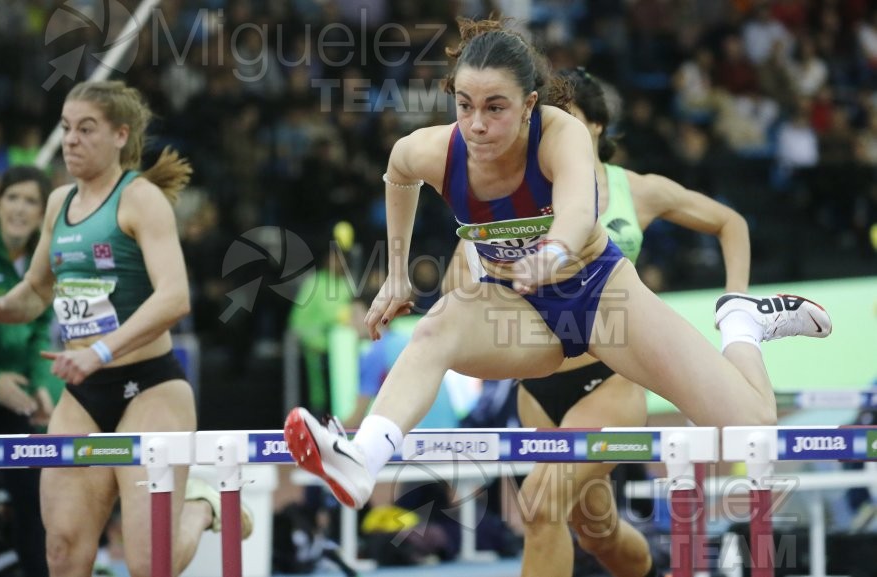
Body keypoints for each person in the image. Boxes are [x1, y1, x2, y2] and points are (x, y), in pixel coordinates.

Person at [283, 17, 830, 533]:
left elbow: (577, 209)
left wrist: (555, 250)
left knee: (751, 427)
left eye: (496, 108)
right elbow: (398, 173)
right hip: (519, 312)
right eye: (465, 105)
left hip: (600, 300)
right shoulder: (435, 149)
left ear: (530, 105)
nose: (477, 123)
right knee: (436, 326)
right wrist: (397, 275)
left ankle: (742, 325)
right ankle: (364, 458)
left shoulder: (560, 133)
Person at [440, 66, 752, 577]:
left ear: (599, 128)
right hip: (538, 386)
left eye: (570, 122)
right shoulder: (515, 194)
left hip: (609, 378)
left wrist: (733, 300)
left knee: (541, 508)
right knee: (597, 532)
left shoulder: (636, 190)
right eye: (548, 123)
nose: (555, 135)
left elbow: (730, 222)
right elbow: (458, 283)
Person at [0, 81, 251, 577]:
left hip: (150, 387)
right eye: (65, 129)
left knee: (149, 565)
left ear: (121, 135)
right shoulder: (58, 203)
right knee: (63, 553)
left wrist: (99, 350)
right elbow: (37, 291)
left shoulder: (141, 200)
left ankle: (201, 508)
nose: (71, 141)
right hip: (83, 395)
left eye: (86, 129)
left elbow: (174, 298)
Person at [0, 165, 62, 577]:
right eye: (13, 197)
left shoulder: (44, 261)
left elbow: (42, 331)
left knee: (36, 496)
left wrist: (43, 386)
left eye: (31, 201)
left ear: (43, 213)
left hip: (16, 396)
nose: (19, 209)